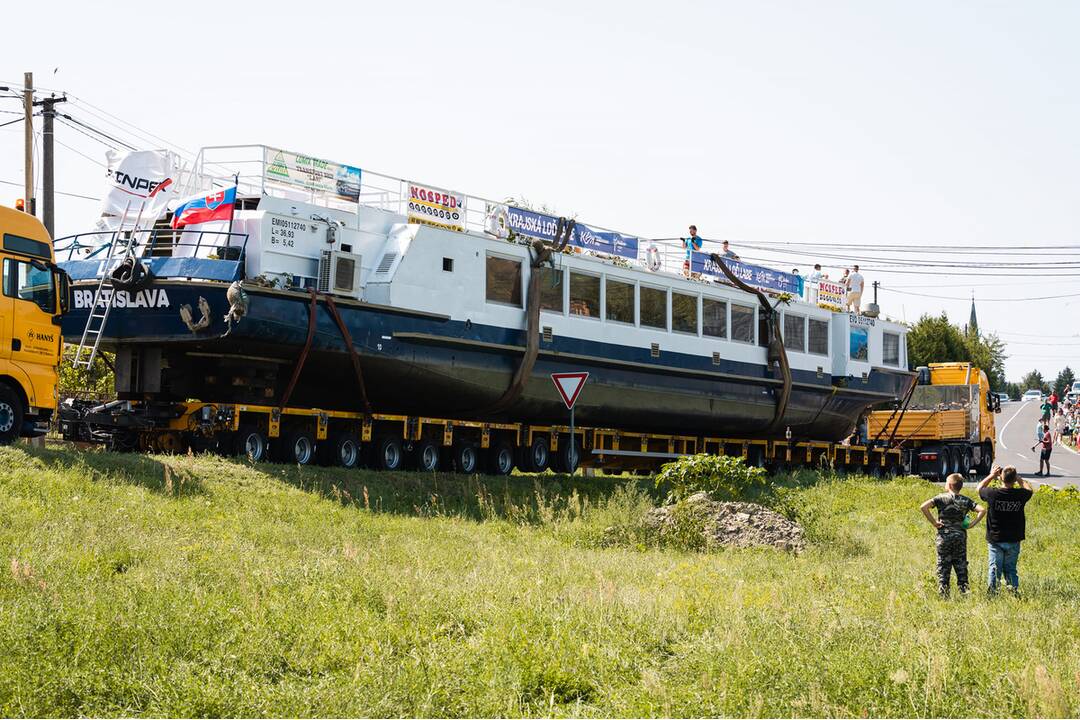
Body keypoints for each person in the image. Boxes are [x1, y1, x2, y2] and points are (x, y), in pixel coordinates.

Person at [919, 473, 985, 597]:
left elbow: (924, 507)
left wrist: (934, 522)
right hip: (960, 536)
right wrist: (972, 524)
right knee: (960, 564)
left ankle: (944, 593)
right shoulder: (966, 500)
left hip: (944, 537)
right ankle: (964, 591)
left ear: (949, 485)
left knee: (943, 564)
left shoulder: (940, 498)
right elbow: (982, 510)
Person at [977, 465, 1033, 593]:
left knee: (994, 568)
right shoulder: (1020, 494)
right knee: (1011, 568)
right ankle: (1013, 591)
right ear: (1014, 480)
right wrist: (1019, 479)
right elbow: (1029, 490)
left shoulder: (992, 493)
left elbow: (979, 488)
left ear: (1001, 478)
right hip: (1014, 538)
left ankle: (992, 593)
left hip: (995, 538)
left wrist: (992, 475)